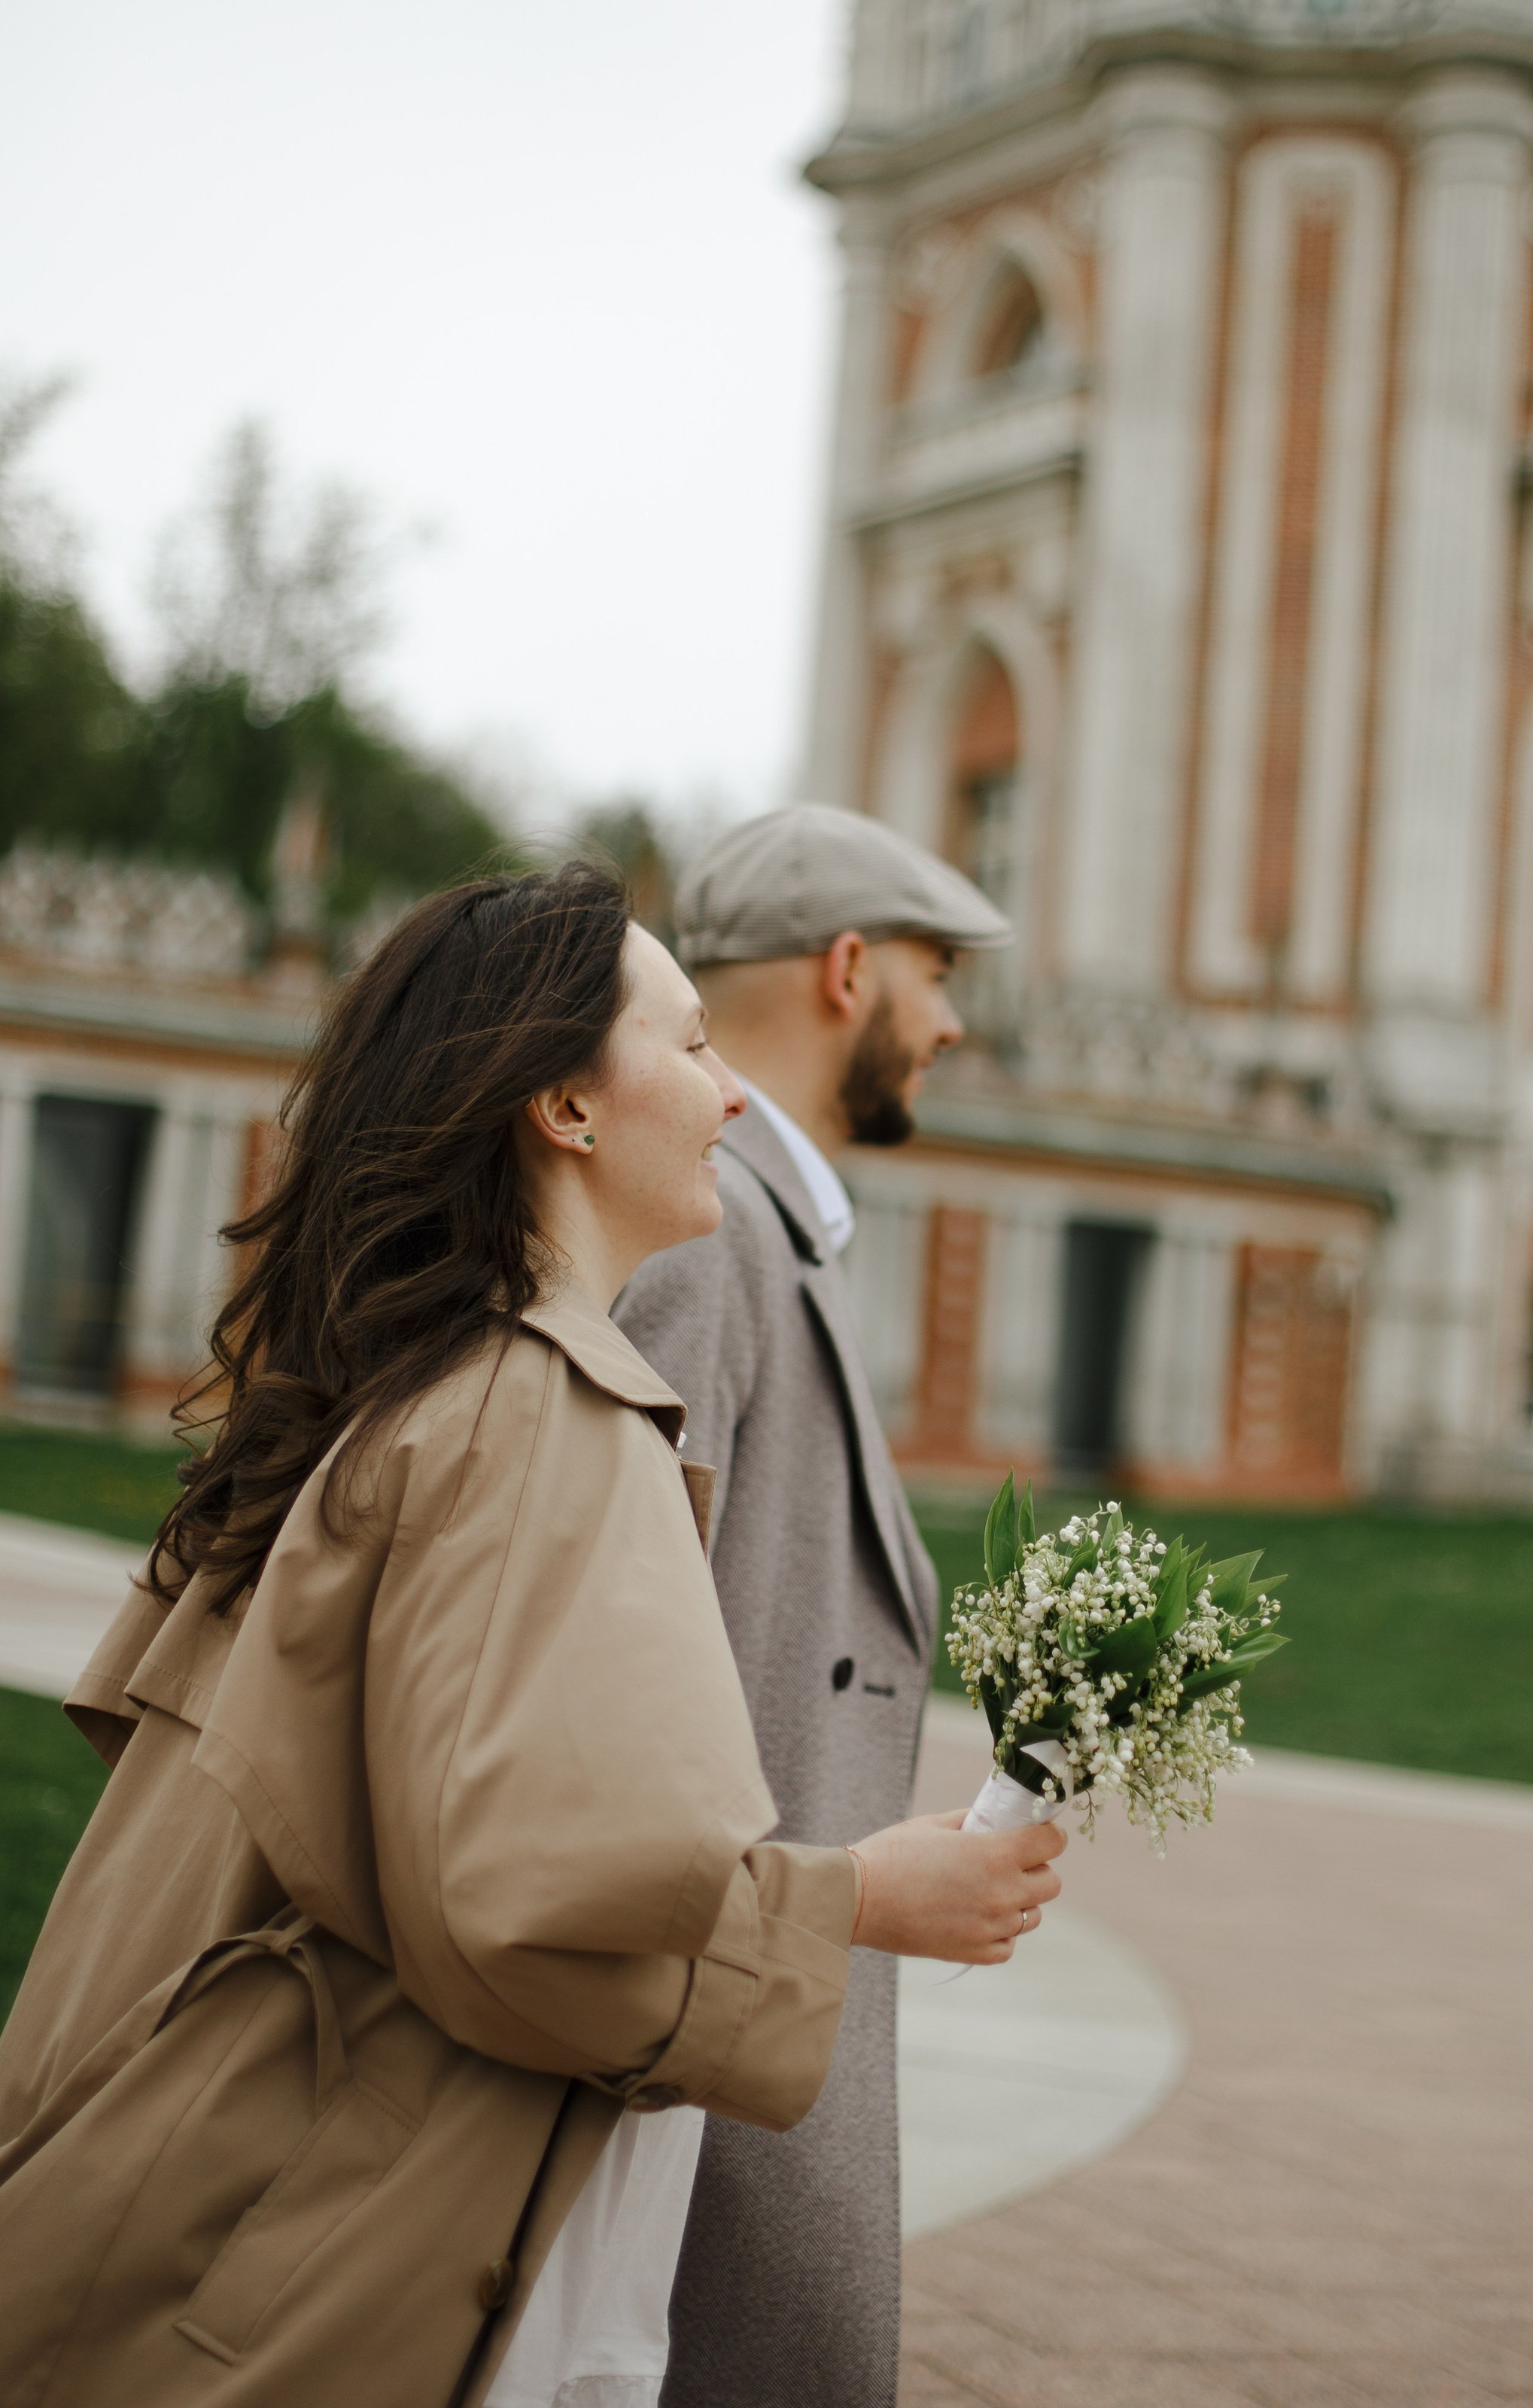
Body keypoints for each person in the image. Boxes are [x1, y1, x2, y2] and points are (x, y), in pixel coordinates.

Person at [0, 862, 1063, 2408]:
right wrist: (861, 1896)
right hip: (359, 2222)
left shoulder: (414, 1377)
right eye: (690, 1048)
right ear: (565, 1109)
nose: (726, 1098)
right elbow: (531, 1920)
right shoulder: (542, 1414)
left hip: (212, 2170)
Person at [612, 804, 1016, 2408]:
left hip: (748, 2010)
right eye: (932, 971)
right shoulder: (710, 1243)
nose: (949, 1018)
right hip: (708, 2031)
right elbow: (615, 1656)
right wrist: (835, 1894)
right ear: (849, 969)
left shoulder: (773, 1233)